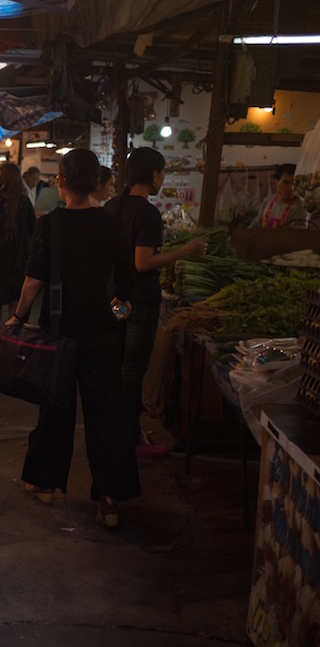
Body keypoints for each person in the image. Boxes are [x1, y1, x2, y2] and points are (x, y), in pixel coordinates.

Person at [6, 149, 140, 528]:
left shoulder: (50, 225)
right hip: (101, 330)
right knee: (107, 415)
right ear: (96, 182)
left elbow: (34, 280)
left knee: (56, 408)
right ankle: (110, 499)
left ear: (61, 180)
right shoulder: (112, 225)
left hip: (60, 330)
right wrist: (121, 304)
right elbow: (125, 280)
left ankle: (45, 483)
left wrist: (17, 317)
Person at [104, 147, 206, 457]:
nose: (162, 179)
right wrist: (186, 251)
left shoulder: (112, 207)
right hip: (140, 300)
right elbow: (143, 262)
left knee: (116, 369)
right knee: (133, 372)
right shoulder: (147, 213)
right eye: (161, 174)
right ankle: (131, 440)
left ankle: (113, 433)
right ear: (153, 175)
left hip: (113, 299)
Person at [0, 162, 35, 308]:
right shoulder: (25, 201)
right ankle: (10, 330)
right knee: (15, 299)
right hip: (19, 258)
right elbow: (33, 229)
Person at [259, 164, 308, 228]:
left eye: (294, 183)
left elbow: (298, 234)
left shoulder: (298, 205)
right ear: (275, 183)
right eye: (286, 183)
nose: (291, 187)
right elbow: (257, 224)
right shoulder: (268, 200)